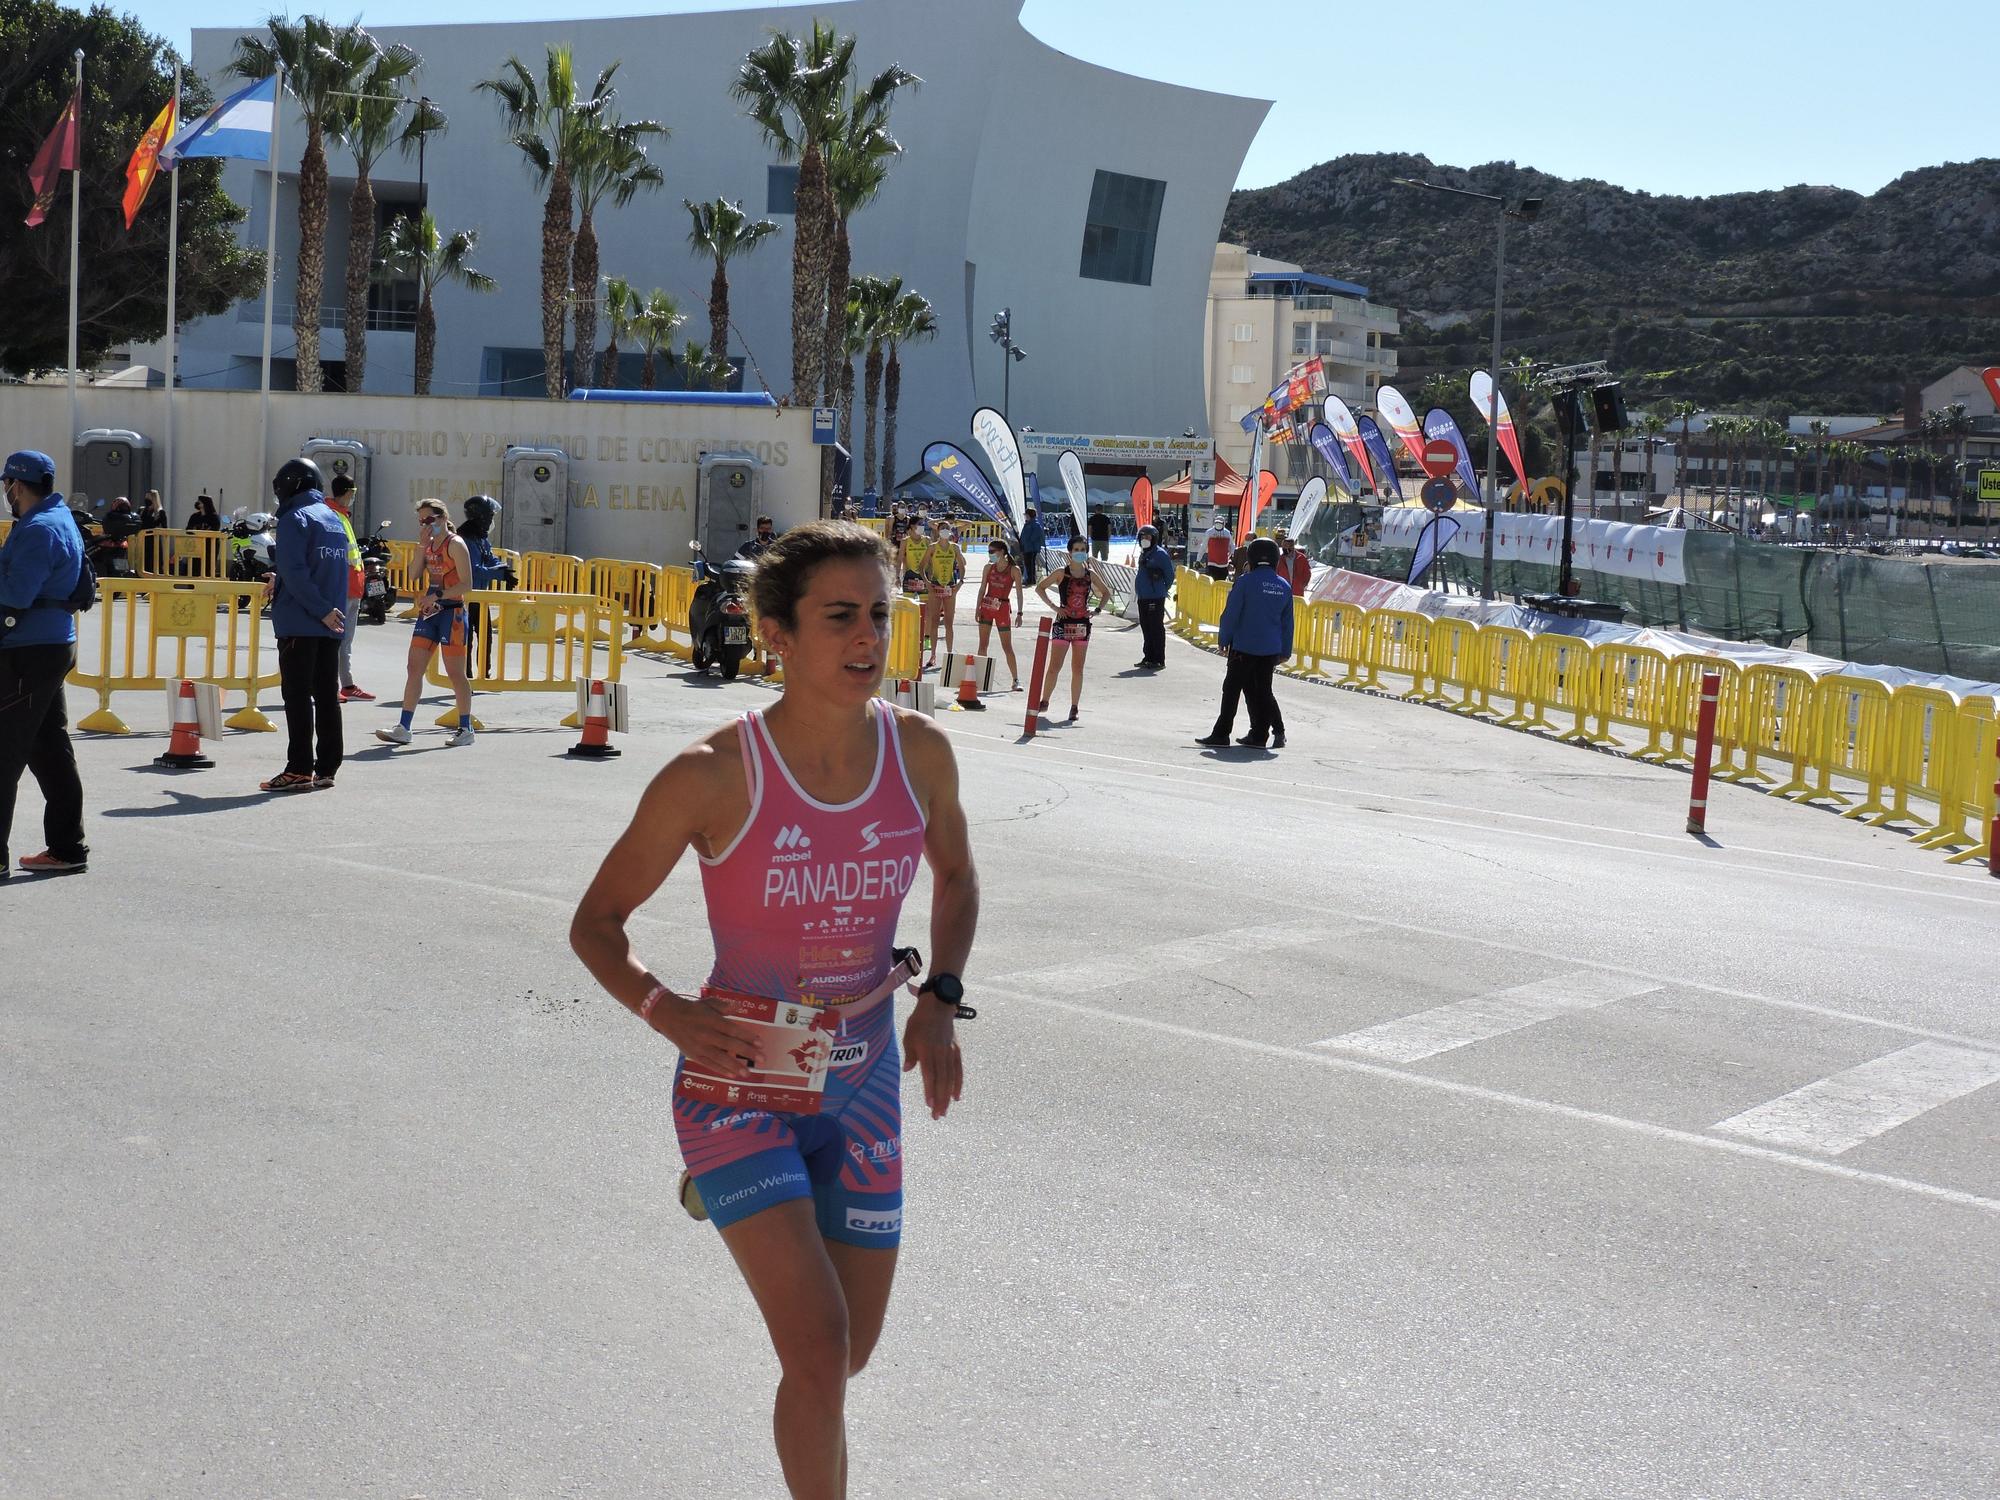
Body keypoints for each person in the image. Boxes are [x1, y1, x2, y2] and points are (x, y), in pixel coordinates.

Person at [569, 520, 976, 1500]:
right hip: (738, 1083)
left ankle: (743, 1197)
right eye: (839, 617)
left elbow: (956, 875)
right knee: (817, 1347)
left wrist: (941, 998)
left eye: (878, 614)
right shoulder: (713, 774)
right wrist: (666, 1011)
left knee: (848, 1359)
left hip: (863, 1083)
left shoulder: (918, 752)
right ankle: (737, 1175)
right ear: (773, 634)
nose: (868, 638)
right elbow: (596, 924)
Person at [0, 451, 89, 877]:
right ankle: (67, 847)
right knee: (50, 750)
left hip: (27, 650)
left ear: (17, 486)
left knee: (5, 752)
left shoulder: (38, 529)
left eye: (7, 485)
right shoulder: (60, 519)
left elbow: (16, 594)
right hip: (51, 644)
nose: (6, 493)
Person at [262, 458, 350, 792]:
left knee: (297, 697)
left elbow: (297, 572)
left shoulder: (293, 518)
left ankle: (298, 768)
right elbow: (323, 569)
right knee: (326, 695)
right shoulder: (333, 519)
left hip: (302, 621)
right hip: (331, 624)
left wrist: (319, 609)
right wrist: (330, 612)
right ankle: (327, 767)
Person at [376, 499, 476, 750]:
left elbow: (467, 584)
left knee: (455, 672)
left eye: (429, 520)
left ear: (442, 518)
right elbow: (413, 575)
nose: (425, 525)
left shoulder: (456, 544)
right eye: (421, 521)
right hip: (430, 613)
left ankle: (466, 728)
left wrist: (439, 595)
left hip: (451, 613)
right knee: (414, 667)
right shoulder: (428, 545)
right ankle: (404, 727)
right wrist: (421, 546)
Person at [1196, 536, 1293, 751]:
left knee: (1231, 689)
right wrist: (1286, 649)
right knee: (1263, 692)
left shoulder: (1245, 582)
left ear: (1252, 557)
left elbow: (1231, 614)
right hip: (1270, 649)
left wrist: (1224, 639)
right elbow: (1288, 623)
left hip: (1244, 646)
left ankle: (1222, 733)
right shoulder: (1283, 586)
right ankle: (1260, 735)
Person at [1032, 534, 1113, 723]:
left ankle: (1074, 706)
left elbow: (1106, 592)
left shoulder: (1090, 574)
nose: (1079, 553)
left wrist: (1097, 610)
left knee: (1078, 668)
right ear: (1069, 553)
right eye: (1076, 550)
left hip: (1082, 625)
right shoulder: (1061, 572)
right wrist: (1054, 607)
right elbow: (1040, 588)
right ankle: (1044, 700)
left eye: (1083, 550)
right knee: (1054, 666)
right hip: (1062, 623)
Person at [326, 474, 373, 704]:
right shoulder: (333, 516)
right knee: (336, 641)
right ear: (347, 493)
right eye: (352, 494)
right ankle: (332, 686)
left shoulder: (341, 515)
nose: (353, 498)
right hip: (341, 588)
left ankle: (347, 684)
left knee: (345, 641)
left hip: (352, 587)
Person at [973, 540, 1023, 690]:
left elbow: (1019, 592)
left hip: (1002, 607)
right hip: (987, 605)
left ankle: (1015, 680)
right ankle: (978, 678)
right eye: (988, 551)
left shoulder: (1014, 570)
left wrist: (1020, 613)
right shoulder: (988, 568)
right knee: (983, 644)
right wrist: (977, 607)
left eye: (992, 551)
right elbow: (982, 589)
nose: (990, 554)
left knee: (1007, 646)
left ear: (1002, 552)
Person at [920, 519, 964, 669]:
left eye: (947, 528)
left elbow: (962, 566)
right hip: (936, 585)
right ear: (938, 531)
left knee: (949, 623)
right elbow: (922, 566)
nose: (945, 530)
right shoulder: (932, 547)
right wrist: (927, 582)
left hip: (950, 586)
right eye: (942, 528)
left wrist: (960, 583)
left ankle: (950, 653)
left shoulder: (955, 548)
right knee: (933, 621)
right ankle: (933, 654)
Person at [1131, 523, 1174, 670]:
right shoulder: (1144, 553)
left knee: (1155, 627)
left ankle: (1158, 659)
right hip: (1143, 596)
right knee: (1146, 627)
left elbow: (1170, 575)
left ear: (1154, 538)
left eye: (1148, 536)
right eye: (1142, 536)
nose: (1145, 539)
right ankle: (1148, 656)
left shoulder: (1160, 554)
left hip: (1155, 597)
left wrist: (1160, 589)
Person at [1275, 529, 1311, 596]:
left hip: (1297, 592)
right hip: (1283, 591)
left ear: (1292, 547)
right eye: (1283, 546)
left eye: (1286, 546)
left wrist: (1301, 585)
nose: (1284, 548)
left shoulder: (1301, 558)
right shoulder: (1279, 559)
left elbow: (1307, 573)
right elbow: (1276, 574)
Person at [1016, 504, 1046, 585]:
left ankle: (1031, 580)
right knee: (1027, 564)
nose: (1025, 516)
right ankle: (1029, 579)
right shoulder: (1028, 524)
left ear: (1029, 515)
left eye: (1026, 515)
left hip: (1031, 548)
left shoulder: (1035, 524)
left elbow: (1036, 535)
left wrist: (1029, 541)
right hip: (1027, 547)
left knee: (1031, 564)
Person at [1202, 515, 1234, 581]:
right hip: (1212, 563)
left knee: (1221, 583)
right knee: (1213, 582)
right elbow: (1203, 546)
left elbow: (1232, 546)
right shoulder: (1209, 532)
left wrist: (1230, 558)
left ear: (1224, 524)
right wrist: (1198, 559)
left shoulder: (1227, 533)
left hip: (1223, 565)